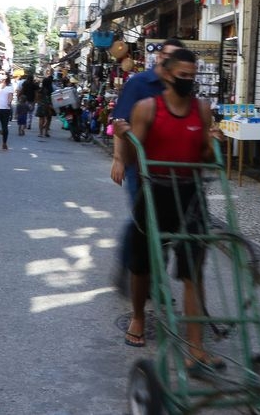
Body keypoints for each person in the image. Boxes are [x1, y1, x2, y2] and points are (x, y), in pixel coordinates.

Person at [121, 48, 222, 374]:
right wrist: (123, 143)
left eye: (193, 76)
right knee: (142, 265)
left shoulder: (202, 110)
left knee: (193, 271)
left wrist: (214, 143)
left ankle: (196, 348)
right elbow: (134, 155)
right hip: (155, 192)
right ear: (166, 74)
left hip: (191, 195)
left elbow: (205, 156)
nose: (188, 81)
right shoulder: (147, 108)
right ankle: (138, 316)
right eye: (183, 76)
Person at [109, 39, 185, 288]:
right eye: (168, 56)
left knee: (165, 222)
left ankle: (151, 274)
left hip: (170, 167)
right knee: (142, 219)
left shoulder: (179, 84)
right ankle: (129, 265)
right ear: (160, 56)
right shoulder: (139, 83)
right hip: (139, 165)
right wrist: (118, 159)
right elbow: (120, 122)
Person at [36, 72, 55, 137]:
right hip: (49, 106)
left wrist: (39, 102)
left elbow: (37, 98)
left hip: (41, 105)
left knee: (41, 119)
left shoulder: (41, 90)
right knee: (49, 119)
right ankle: (46, 132)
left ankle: (40, 133)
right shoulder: (51, 90)